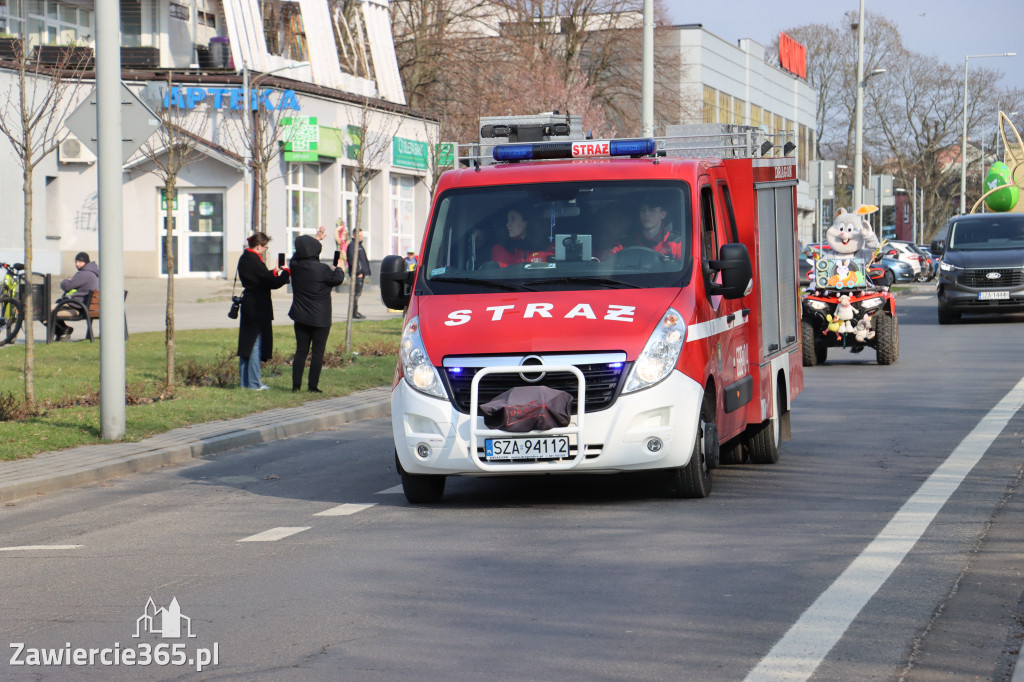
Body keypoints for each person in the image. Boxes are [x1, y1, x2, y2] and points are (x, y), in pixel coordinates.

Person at [288, 226, 345, 393]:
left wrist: (315, 239)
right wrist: (340, 267)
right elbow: (338, 279)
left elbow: (299, 254)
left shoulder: (295, 266)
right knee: (318, 352)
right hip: (320, 319)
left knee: (301, 351)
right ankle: (312, 386)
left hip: (300, 316)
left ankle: (295, 386)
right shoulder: (323, 270)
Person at [236, 232, 289, 390]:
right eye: (265, 247)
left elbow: (261, 277)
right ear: (258, 246)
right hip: (257, 306)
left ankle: (245, 383)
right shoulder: (253, 260)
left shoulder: (245, 258)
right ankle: (254, 383)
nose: (265, 250)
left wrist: (273, 271)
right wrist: (286, 273)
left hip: (249, 304)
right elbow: (270, 282)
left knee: (247, 344)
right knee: (254, 345)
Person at [608, 193, 683, 259]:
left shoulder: (676, 243)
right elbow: (608, 266)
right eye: (643, 210)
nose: (646, 214)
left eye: (651, 210)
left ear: (663, 214)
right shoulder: (625, 244)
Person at [53, 252, 99, 341]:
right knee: (54, 308)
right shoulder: (95, 274)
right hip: (88, 307)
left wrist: (66, 280)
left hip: (78, 307)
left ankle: (63, 330)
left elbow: (66, 286)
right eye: (76, 262)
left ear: (86, 262)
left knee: (45, 311)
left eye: (80, 262)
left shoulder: (84, 274)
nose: (77, 264)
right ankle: (63, 330)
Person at [346, 231, 371, 319]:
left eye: (361, 235)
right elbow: (353, 260)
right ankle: (353, 312)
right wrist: (358, 272)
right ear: (353, 235)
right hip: (357, 274)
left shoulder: (359, 245)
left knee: (357, 294)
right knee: (355, 294)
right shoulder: (353, 246)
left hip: (361, 273)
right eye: (359, 235)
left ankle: (354, 311)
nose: (361, 237)